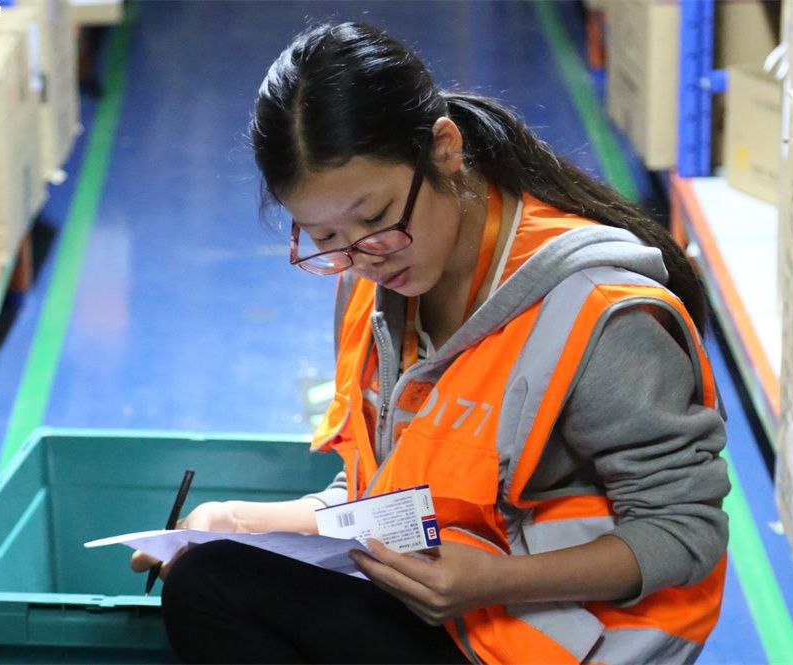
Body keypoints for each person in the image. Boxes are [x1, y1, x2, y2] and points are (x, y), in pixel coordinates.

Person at [133, 21, 731, 664]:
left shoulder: (596, 314)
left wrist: (496, 582)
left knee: (214, 591)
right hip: (456, 616)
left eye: (375, 218)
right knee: (208, 578)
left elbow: (685, 531)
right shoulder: (372, 286)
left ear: (444, 149)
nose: (363, 255)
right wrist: (239, 523)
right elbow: (389, 496)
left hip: (569, 640)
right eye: (325, 237)